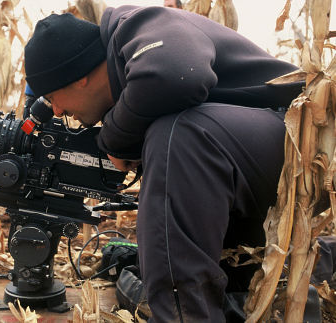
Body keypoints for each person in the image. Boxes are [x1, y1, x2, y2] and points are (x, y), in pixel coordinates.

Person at [23, 5, 331, 322]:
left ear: (78, 77)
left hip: (305, 141)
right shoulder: (132, 80)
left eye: (52, 97)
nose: (57, 111)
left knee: (180, 135)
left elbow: (177, 75)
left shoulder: (138, 26)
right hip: (260, 160)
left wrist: (113, 138)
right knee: (237, 278)